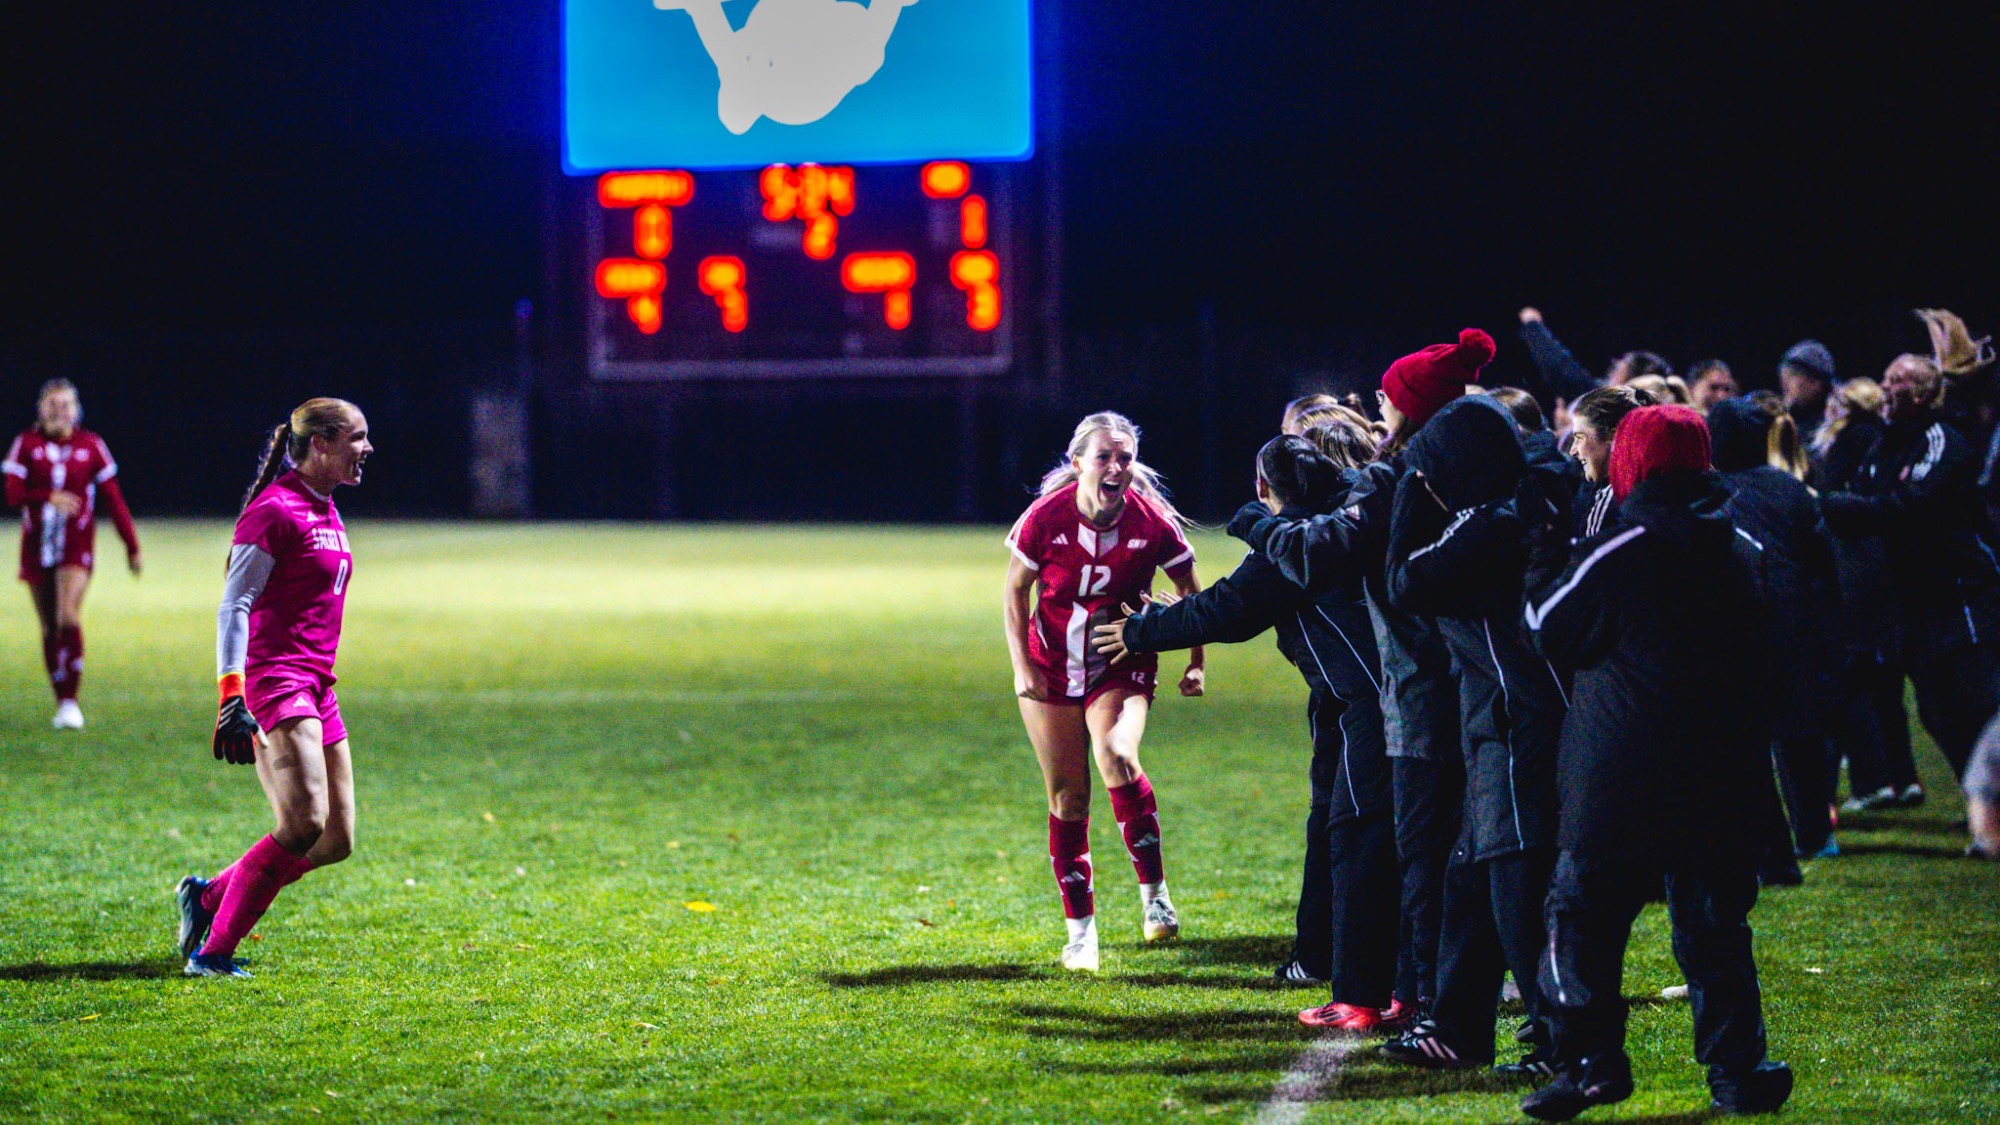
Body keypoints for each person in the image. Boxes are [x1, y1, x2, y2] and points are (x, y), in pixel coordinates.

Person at [1522, 405, 1792, 1121]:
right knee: (1714, 932)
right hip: (1722, 776)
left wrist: (1546, 550)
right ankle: (1739, 1071)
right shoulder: (1742, 545)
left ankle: (1589, 1063)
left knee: (1580, 919)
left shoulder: (1625, 544)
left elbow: (1549, 626)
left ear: (1634, 459)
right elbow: (1778, 655)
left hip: (1622, 773)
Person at [1235, 328, 1496, 1029]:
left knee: (1414, 847)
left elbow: (1324, 550)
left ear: (1415, 406)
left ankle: (1417, 1001)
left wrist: (1258, 525)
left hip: (1414, 690)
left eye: (1390, 395)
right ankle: (1431, 994)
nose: (1379, 404)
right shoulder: (1476, 468)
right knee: (1453, 847)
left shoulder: (1401, 476)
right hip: (1466, 680)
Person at [1099, 434, 1400, 1028]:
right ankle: (1416, 986)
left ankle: (1363, 998)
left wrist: (1140, 632)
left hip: (1374, 707)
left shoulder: (1296, 546)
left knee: (1358, 838)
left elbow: (1230, 610)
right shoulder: (1353, 515)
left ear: (1265, 489)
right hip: (1409, 698)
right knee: (1406, 843)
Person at [1376, 395, 1574, 1075]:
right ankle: (1459, 1027)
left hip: (1519, 719)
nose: (1424, 479)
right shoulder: (1519, 499)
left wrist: (1406, 490)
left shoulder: (1486, 526)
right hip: (1501, 718)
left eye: (1431, 468)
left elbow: (1405, 579)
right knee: (1469, 875)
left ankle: (1562, 1042)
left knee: (1518, 886)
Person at [175, 399, 372, 978]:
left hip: (316, 684)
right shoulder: (274, 511)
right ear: (322, 444)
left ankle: (208, 898)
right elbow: (234, 604)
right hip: (274, 678)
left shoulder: (326, 509)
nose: (367, 449)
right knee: (304, 822)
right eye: (358, 438)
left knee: (335, 838)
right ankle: (212, 953)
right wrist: (230, 694)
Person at [1003, 411, 1204, 972]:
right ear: (1077, 463)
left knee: (1116, 754)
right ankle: (1081, 934)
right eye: (1103, 457)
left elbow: (1190, 588)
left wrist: (1196, 661)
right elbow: (1015, 592)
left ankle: (1155, 895)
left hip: (1122, 663)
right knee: (1068, 797)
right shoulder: (1045, 517)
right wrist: (1023, 666)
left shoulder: (1152, 520)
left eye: (1124, 457)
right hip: (1051, 666)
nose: (1116, 466)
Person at [1822, 355, 2000, 790]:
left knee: (1976, 701)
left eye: (1896, 380)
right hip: (1915, 600)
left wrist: (1832, 505)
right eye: (1884, 377)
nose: (1885, 387)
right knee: (1936, 711)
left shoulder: (1940, 439)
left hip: (1962, 592)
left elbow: (1911, 504)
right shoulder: (1884, 444)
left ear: (1921, 394)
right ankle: (1984, 801)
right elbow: (1860, 498)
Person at [1708, 397, 1842, 863]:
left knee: (1743, 740)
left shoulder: (1709, 492)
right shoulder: (1787, 489)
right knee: (1799, 734)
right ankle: (1814, 832)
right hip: (1794, 628)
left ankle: (1764, 840)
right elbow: (1825, 561)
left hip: (1734, 631)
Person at [3, 379, 141, 730]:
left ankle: (71, 702)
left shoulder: (91, 445)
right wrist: (47, 497)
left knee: (68, 616)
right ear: (41, 409)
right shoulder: (26, 444)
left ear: (76, 410)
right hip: (35, 549)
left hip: (76, 548)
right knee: (49, 626)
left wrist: (131, 545)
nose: (59, 411)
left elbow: (114, 498)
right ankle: (61, 698)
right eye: (52, 405)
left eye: (65, 405)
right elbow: (13, 493)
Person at [1812, 379, 1922, 810]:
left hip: (1852, 571)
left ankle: (1870, 782)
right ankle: (1903, 777)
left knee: (1852, 685)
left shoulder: (1847, 441)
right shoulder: (1883, 440)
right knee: (1885, 687)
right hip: (1880, 571)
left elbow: (1830, 501)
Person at [1566, 386, 1658, 542]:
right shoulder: (1658, 483)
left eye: (1580, 437)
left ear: (1613, 435)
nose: (1573, 451)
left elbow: (1589, 562)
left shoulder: (1612, 497)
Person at [1778, 340, 1836, 448]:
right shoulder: (1785, 417)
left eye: (1792, 375)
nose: (1784, 383)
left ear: (1816, 383)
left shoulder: (1833, 424)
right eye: (1783, 375)